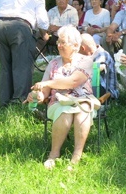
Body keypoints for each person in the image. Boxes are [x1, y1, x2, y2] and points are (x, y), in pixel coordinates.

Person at [28, 26, 95, 170]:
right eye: (58, 41)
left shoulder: (86, 61)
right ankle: (53, 155)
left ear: (76, 46)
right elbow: (45, 92)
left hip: (83, 100)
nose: (58, 45)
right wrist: (37, 95)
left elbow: (73, 82)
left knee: (82, 112)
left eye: (63, 42)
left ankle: (76, 157)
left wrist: (47, 83)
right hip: (58, 102)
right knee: (65, 112)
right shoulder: (52, 64)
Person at [0, 0, 50, 107]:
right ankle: (20, 100)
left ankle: (4, 101)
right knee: (22, 65)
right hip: (19, 26)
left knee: (6, 66)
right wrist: (45, 34)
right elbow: (42, 21)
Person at [79, 33, 119, 99]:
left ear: (83, 48)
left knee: (92, 74)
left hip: (108, 92)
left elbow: (96, 68)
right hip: (98, 88)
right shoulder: (91, 55)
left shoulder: (102, 54)